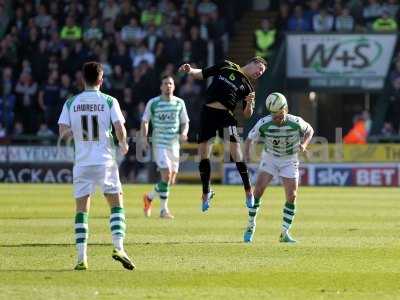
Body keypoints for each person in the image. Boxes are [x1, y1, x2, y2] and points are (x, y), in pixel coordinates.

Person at [58, 62, 135, 271]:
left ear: (83, 79)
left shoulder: (71, 102)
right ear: (101, 80)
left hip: (82, 162)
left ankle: (81, 258)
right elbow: (119, 127)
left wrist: (77, 136)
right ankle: (119, 247)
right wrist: (124, 143)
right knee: (116, 204)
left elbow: (63, 132)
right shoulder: (109, 101)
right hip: (105, 161)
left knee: (82, 209)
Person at [178, 57, 267, 212]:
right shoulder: (227, 65)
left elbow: (247, 114)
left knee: (236, 153)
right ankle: (206, 192)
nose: (259, 73)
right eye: (259, 68)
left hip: (226, 116)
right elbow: (203, 74)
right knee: (203, 154)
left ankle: (248, 191)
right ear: (252, 62)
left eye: (262, 72)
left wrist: (250, 103)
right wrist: (190, 70)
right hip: (207, 112)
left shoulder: (249, 88)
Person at [243, 92, 314, 243]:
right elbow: (250, 138)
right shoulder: (264, 123)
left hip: (289, 159)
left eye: (280, 115)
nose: (277, 119)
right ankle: (250, 224)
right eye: (274, 116)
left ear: (286, 109)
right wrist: (247, 154)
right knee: (258, 191)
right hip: (270, 158)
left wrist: (304, 144)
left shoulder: (296, 121)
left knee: (292, 196)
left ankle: (284, 233)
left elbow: (309, 130)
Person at [141, 75, 189, 219]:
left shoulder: (179, 103)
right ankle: (163, 211)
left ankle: (148, 198)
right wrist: (144, 138)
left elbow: (185, 122)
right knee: (166, 175)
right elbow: (145, 121)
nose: (168, 86)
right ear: (161, 87)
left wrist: (184, 133)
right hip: (159, 143)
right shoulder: (153, 103)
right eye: (165, 83)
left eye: (170, 83)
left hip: (174, 144)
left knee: (170, 181)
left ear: (174, 86)